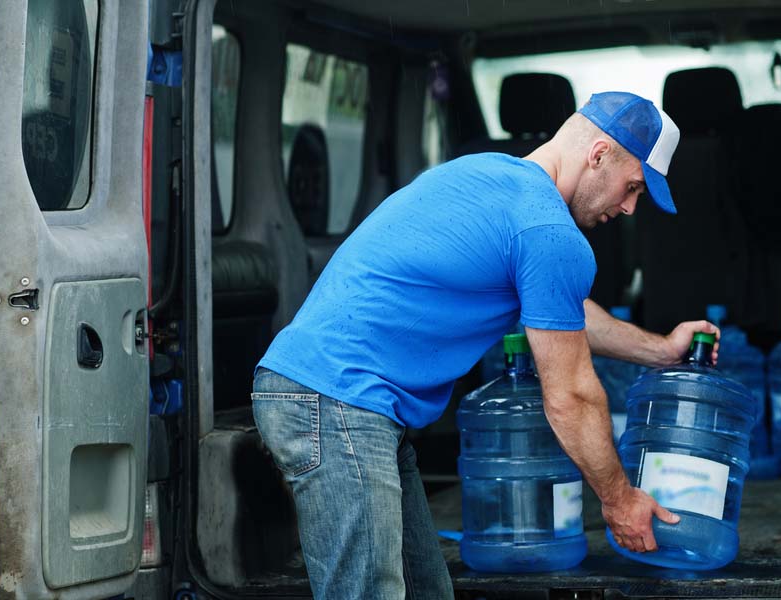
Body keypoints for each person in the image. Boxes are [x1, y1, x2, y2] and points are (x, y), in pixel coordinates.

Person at [252, 91, 719, 599]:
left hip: (338, 398)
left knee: (427, 590)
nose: (629, 208)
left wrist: (661, 350)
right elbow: (572, 397)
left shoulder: (488, 177)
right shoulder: (548, 230)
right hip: (339, 399)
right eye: (632, 188)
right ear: (599, 154)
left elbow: (561, 314)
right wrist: (619, 499)